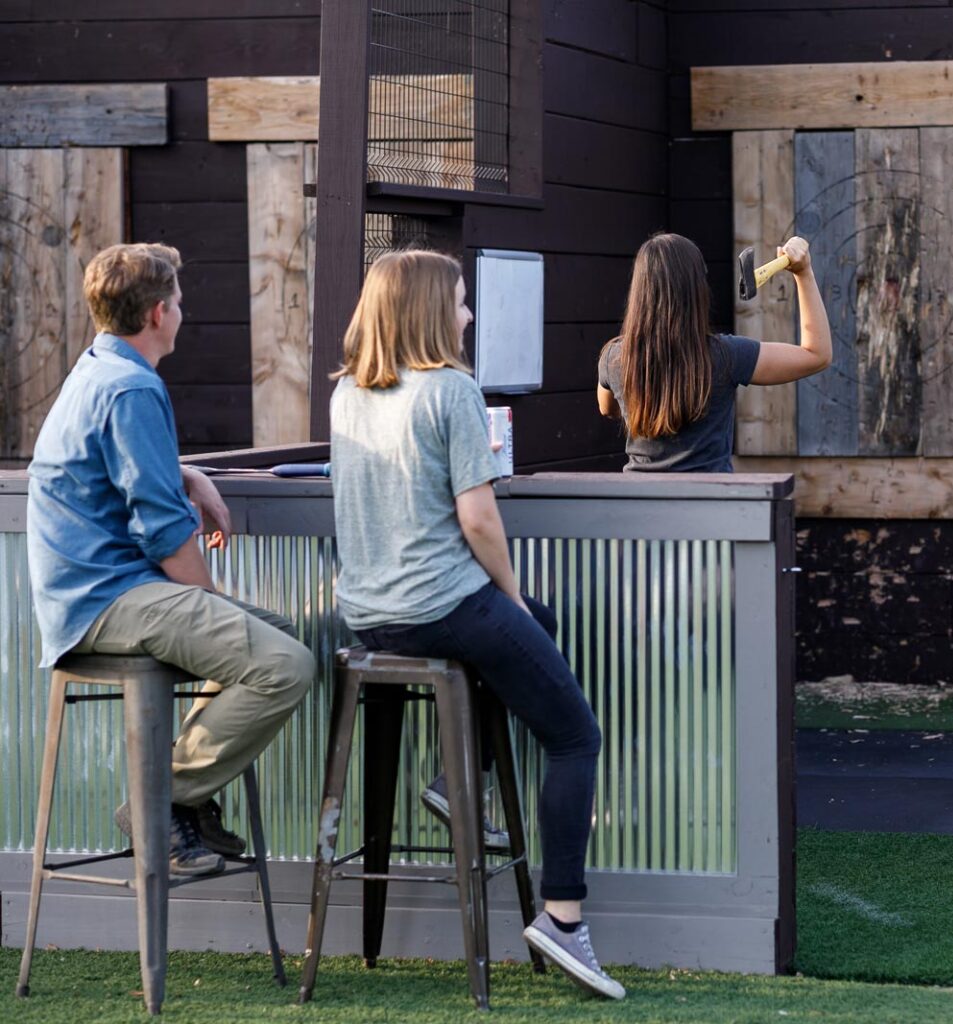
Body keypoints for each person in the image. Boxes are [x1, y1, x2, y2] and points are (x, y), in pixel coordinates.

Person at [328, 250, 622, 1000]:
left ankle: (450, 781)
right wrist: (512, 597)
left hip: (371, 619)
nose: (467, 315)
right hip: (443, 608)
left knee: (539, 628)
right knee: (576, 736)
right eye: (459, 301)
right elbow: (479, 519)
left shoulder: (349, 394)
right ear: (429, 310)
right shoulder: (454, 389)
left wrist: (524, 616)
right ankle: (562, 918)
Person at [27, 243, 315, 877]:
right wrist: (206, 598)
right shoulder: (133, 386)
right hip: (108, 599)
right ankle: (161, 800)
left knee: (277, 635)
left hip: (90, 592)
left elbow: (115, 471)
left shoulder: (97, 367)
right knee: (288, 664)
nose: (184, 311)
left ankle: (180, 804)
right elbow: (160, 534)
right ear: (157, 314)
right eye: (179, 301)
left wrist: (185, 473)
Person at [596, 232, 831, 471]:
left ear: (639, 290)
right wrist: (804, 274)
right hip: (712, 503)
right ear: (697, 290)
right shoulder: (727, 355)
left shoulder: (614, 358)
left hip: (639, 504)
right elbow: (817, 355)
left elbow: (608, 409)